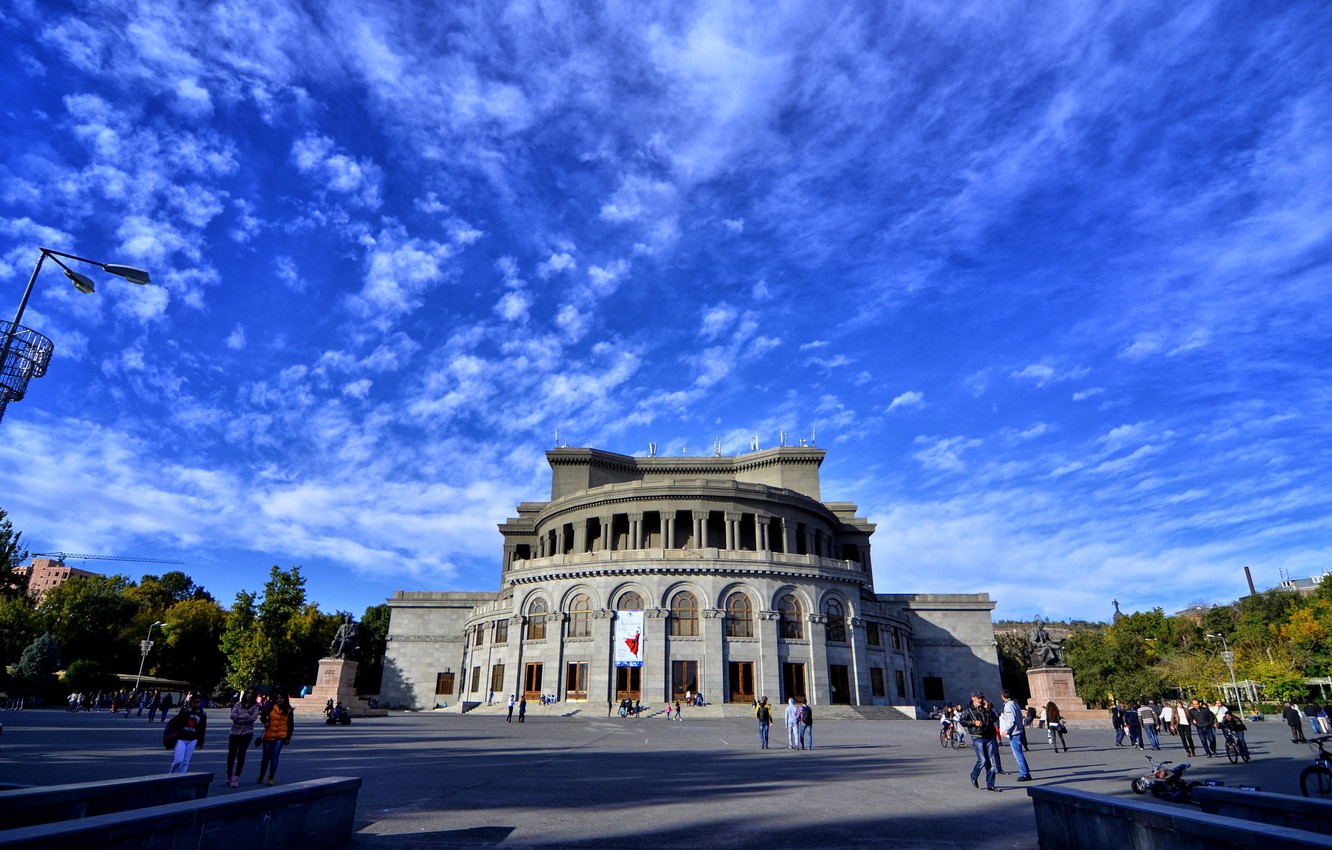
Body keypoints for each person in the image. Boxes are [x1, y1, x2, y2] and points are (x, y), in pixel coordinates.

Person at [962, 691, 1000, 791]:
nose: (981, 700)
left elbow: (995, 718)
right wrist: (974, 722)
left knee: (991, 761)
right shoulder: (968, 710)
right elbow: (962, 721)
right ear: (973, 698)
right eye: (979, 698)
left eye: (981, 698)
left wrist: (989, 709)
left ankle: (990, 785)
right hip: (977, 736)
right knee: (982, 760)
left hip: (989, 736)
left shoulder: (985, 708)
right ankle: (974, 775)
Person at [257, 691, 294, 785]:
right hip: (269, 734)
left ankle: (271, 776)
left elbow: (290, 725)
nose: (280, 700)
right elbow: (262, 717)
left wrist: (288, 737)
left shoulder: (289, 710)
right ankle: (262, 774)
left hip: (281, 735)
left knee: (274, 756)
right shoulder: (270, 707)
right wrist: (265, 722)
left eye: (281, 698)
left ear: (285, 699)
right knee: (265, 757)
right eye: (278, 698)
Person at [226, 689, 261, 788]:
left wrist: (240, 717)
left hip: (247, 733)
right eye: (248, 693)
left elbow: (253, 718)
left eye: (252, 693)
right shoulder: (238, 704)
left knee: (241, 753)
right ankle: (229, 771)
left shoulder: (255, 706)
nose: (249, 695)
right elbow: (232, 715)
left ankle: (236, 776)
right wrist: (245, 716)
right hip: (234, 732)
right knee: (231, 753)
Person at [167, 695, 207, 774]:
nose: (196, 704)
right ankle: (171, 773)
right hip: (181, 738)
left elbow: (202, 728)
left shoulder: (202, 714)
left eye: (198, 702)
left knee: (185, 762)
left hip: (193, 739)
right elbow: (176, 722)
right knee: (178, 760)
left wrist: (201, 741)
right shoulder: (184, 711)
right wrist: (187, 712)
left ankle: (181, 778)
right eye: (194, 702)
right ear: (191, 702)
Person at [999, 690, 1032, 781]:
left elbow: (1011, 720)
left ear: (1002, 696)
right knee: (1019, 753)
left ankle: (1024, 774)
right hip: (1019, 730)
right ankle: (1026, 772)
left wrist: (1006, 730)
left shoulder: (1008, 705)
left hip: (1014, 732)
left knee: (1018, 754)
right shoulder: (1015, 703)